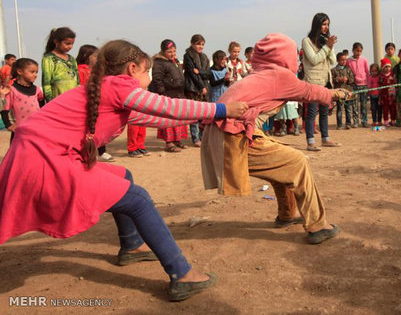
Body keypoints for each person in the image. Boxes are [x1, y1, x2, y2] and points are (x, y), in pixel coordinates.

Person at [0, 39, 248, 301]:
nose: (148, 78)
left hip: (41, 155)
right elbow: (167, 106)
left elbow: (162, 117)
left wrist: (212, 116)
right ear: (132, 69)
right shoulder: (119, 86)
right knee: (137, 199)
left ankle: (131, 246)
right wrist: (223, 109)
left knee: (123, 177)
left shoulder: (109, 91)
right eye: (146, 71)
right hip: (42, 160)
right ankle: (182, 275)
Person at [200, 33, 348, 244]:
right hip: (233, 136)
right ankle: (318, 226)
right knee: (297, 162)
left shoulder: (261, 73)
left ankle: (288, 214)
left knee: (282, 161)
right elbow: (306, 91)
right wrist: (333, 94)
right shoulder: (278, 75)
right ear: (283, 56)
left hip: (225, 134)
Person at [301, 12, 339, 151]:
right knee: (311, 112)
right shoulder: (307, 41)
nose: (326, 27)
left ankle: (325, 139)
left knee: (324, 112)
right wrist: (327, 47)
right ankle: (310, 141)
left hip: (326, 81)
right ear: (317, 25)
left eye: (327, 24)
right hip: (313, 81)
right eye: (323, 24)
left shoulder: (325, 41)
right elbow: (314, 59)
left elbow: (333, 61)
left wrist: (330, 46)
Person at [77, 44, 114, 162]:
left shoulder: (96, 71)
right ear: (86, 56)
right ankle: (89, 152)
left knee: (99, 127)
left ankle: (101, 151)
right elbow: (81, 88)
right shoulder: (80, 70)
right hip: (87, 103)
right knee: (87, 129)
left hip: (98, 103)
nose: (98, 59)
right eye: (95, 56)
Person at [150, 39, 188, 152]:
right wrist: (162, 93)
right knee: (168, 120)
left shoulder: (174, 61)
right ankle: (169, 143)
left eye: (174, 51)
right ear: (163, 51)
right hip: (167, 94)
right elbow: (157, 80)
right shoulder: (159, 63)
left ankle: (177, 140)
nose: (172, 54)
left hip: (178, 94)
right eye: (169, 52)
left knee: (178, 118)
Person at [0, 58, 44, 142]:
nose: (35, 75)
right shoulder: (12, 90)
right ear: (20, 72)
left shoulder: (37, 89)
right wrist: (8, 125)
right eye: (32, 72)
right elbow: (4, 109)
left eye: (36, 72)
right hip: (19, 130)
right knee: (18, 152)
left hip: (35, 128)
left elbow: (41, 104)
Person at [183, 34, 211, 147]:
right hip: (193, 88)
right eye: (198, 44)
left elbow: (208, 73)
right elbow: (191, 73)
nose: (200, 46)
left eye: (202, 44)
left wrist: (199, 71)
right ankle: (195, 138)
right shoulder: (188, 55)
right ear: (192, 43)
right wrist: (201, 87)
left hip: (204, 87)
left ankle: (202, 136)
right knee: (194, 114)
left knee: (203, 114)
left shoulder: (204, 57)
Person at [41, 27, 79, 102]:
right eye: (67, 43)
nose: (70, 46)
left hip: (73, 99)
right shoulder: (49, 58)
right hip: (58, 100)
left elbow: (77, 81)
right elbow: (46, 83)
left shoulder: (72, 59)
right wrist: (50, 101)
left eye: (72, 44)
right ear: (56, 42)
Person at [347, 42, 369, 127]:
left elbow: (367, 72)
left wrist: (368, 85)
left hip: (364, 85)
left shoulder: (364, 60)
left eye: (360, 51)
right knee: (355, 105)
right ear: (353, 50)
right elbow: (348, 72)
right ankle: (356, 122)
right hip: (354, 85)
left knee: (364, 104)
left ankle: (364, 121)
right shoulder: (349, 61)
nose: (358, 53)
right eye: (357, 51)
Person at [332, 52, 355, 130]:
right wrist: (338, 79)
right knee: (339, 109)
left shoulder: (348, 69)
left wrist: (347, 79)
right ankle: (339, 124)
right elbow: (331, 80)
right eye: (342, 60)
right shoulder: (334, 70)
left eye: (345, 60)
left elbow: (352, 79)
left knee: (348, 109)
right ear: (337, 60)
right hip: (339, 93)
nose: (344, 62)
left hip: (347, 92)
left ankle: (348, 123)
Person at [379, 58, 396, 126]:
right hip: (384, 95)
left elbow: (395, 82)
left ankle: (393, 121)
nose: (387, 68)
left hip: (392, 95)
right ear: (383, 67)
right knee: (385, 109)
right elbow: (379, 85)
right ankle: (386, 121)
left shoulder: (392, 74)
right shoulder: (381, 76)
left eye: (389, 66)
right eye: (386, 67)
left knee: (393, 108)